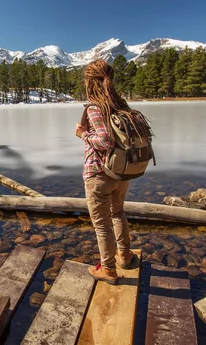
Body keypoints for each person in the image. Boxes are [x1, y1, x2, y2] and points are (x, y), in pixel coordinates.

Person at [75, 59, 140, 285]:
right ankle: (125, 254)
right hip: (122, 172)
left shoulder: (95, 107)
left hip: (99, 174)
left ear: (90, 82)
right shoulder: (121, 104)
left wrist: (82, 134)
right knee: (118, 213)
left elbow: (104, 140)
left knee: (102, 224)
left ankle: (108, 269)